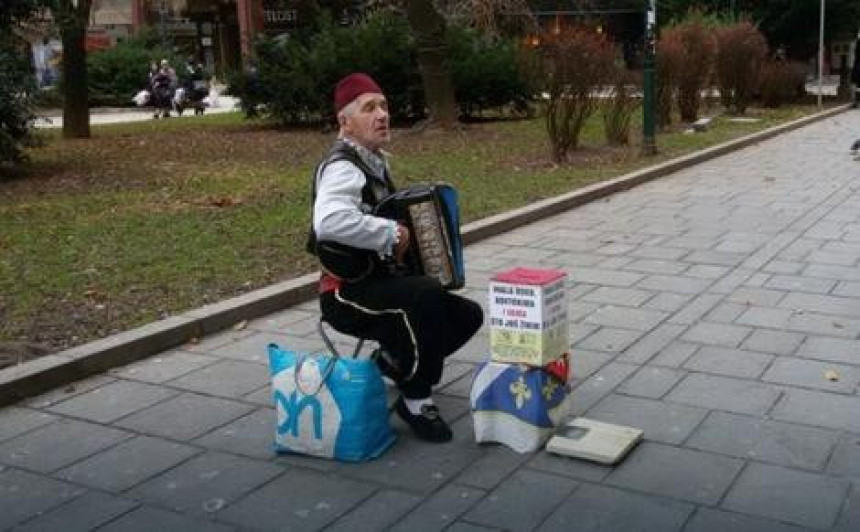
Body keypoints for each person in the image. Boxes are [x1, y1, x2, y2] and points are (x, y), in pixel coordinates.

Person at [308, 73, 483, 443]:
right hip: (345, 293)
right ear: (345, 122)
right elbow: (329, 222)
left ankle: (392, 362)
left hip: (376, 282)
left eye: (384, 106)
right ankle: (416, 399)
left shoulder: (372, 161)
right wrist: (390, 233)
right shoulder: (343, 166)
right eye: (369, 108)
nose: (382, 114)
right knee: (424, 296)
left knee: (468, 315)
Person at [851, 32, 860, 109]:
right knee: (857, 87)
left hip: (856, 68)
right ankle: (856, 102)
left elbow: (855, 54)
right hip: (857, 68)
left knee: (856, 86)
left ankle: (855, 102)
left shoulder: (856, 44)